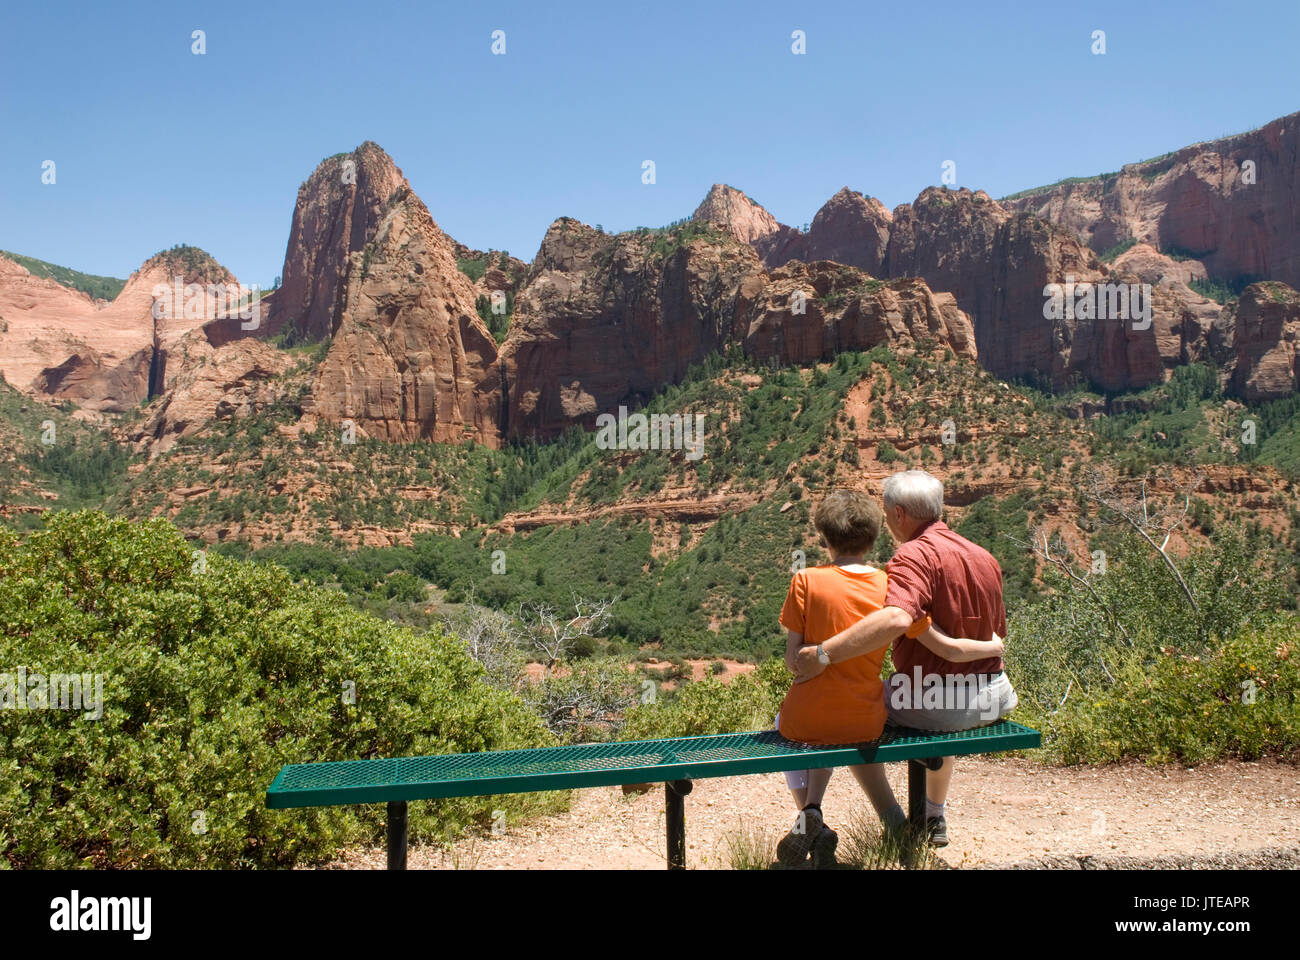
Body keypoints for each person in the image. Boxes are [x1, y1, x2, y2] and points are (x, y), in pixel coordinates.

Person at [775, 488, 1003, 867]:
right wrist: (992, 648)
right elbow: (944, 647)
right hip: (867, 718)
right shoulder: (889, 586)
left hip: (807, 718)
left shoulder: (806, 581)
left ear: (824, 536)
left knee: (802, 726)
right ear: (875, 535)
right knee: (845, 726)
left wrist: (814, 660)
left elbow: (792, 661)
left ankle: (811, 812)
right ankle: (909, 822)